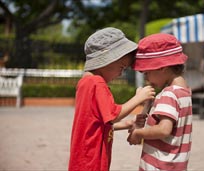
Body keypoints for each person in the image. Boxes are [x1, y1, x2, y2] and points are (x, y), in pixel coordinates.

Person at [68, 27, 155, 171]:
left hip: (82, 158)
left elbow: (95, 124)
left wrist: (127, 123)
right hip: (92, 160)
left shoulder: (85, 82)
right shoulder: (97, 83)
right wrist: (139, 98)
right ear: (108, 60)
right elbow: (113, 115)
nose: (121, 73)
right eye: (121, 67)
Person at [127, 33, 193, 171]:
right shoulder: (184, 92)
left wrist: (138, 133)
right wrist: (147, 105)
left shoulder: (169, 94)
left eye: (147, 73)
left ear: (162, 68)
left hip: (159, 166)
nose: (146, 78)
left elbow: (164, 129)